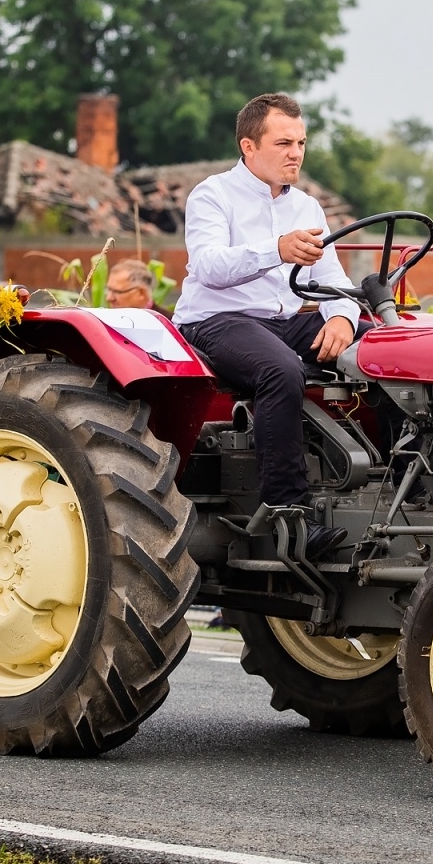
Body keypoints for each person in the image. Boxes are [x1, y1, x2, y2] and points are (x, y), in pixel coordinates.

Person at [173, 93, 360, 559]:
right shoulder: (213, 195)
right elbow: (210, 266)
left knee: (384, 345)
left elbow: (334, 280)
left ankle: (402, 488)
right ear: (249, 146)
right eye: (283, 142)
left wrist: (341, 316)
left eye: (301, 142)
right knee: (280, 370)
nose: (295, 152)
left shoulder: (309, 208)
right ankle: (287, 515)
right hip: (215, 321)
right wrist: (274, 249)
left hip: (282, 321)